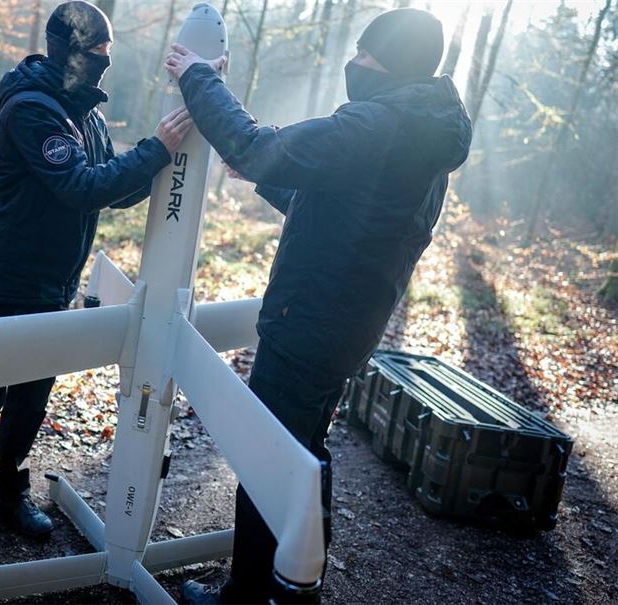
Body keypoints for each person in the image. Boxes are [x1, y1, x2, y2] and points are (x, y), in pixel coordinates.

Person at [164, 8, 472, 604]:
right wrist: (267, 174)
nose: (354, 64)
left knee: (270, 458)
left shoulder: (379, 124)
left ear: (394, 64)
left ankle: (254, 594)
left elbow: (258, 146)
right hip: (344, 326)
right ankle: (293, 583)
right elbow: (350, 214)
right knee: (301, 452)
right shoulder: (423, 132)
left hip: (308, 323)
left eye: (366, 56)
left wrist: (201, 78)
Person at [0, 0, 194, 560]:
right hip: (6, 284)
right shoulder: (31, 110)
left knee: (30, 404)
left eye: (110, 54)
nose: (105, 63)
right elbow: (82, 187)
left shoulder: (83, 112)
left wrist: (160, 161)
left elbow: (109, 187)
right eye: (98, 53)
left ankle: (7, 497)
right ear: (69, 50)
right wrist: (154, 148)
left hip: (52, 286)